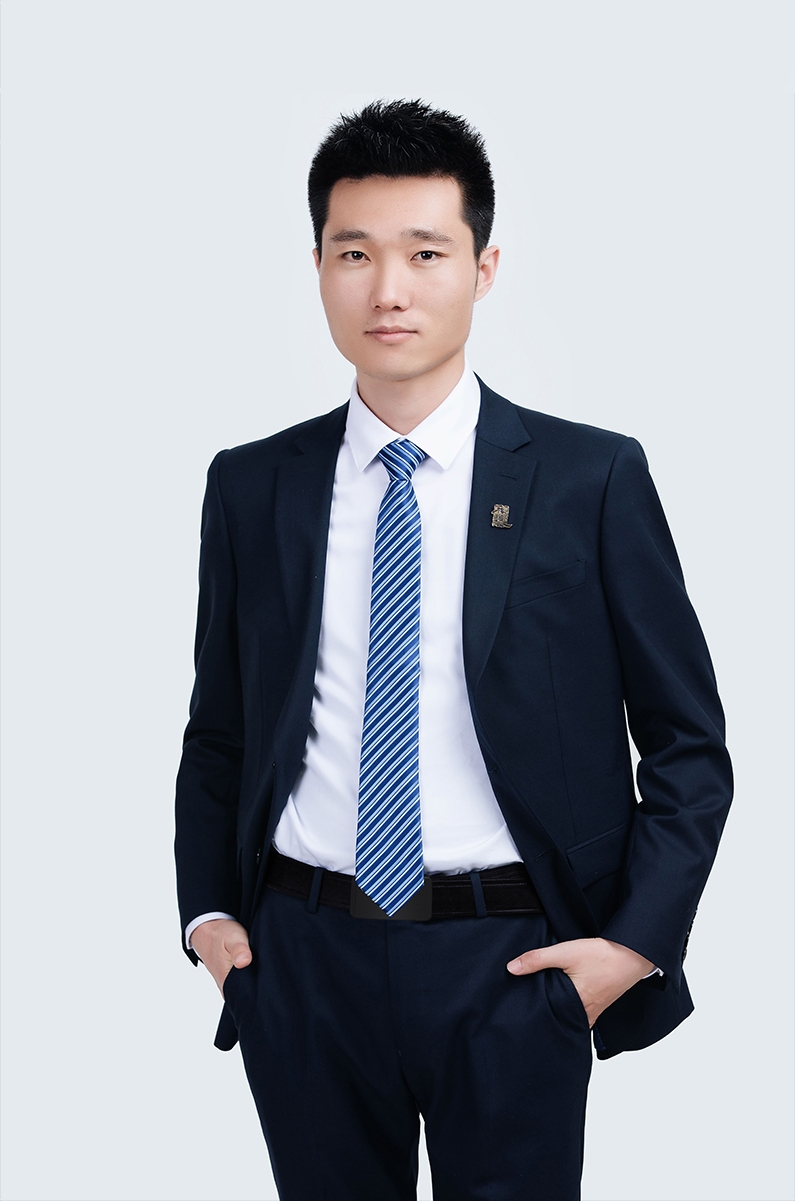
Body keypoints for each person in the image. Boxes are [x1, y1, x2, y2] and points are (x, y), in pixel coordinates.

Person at [174, 99, 733, 1201]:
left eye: (425, 253)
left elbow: (687, 744)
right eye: (355, 254)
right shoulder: (252, 485)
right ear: (319, 268)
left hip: (512, 964)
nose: (388, 288)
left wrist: (630, 945)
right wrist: (208, 917)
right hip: (302, 959)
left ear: (482, 268)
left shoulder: (589, 479)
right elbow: (220, 726)